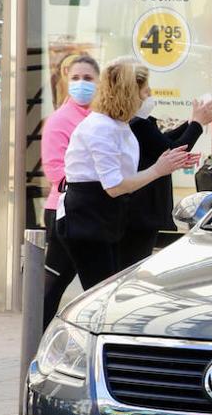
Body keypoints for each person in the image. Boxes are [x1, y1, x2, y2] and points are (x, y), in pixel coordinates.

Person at [56, 58, 197, 291]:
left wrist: (170, 162)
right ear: (131, 93)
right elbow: (114, 186)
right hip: (87, 219)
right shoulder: (101, 127)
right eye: (144, 92)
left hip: (105, 218)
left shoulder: (117, 125)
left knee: (108, 291)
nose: (148, 97)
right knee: (100, 293)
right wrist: (158, 169)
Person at [120, 93, 212, 268]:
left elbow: (166, 141)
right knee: (131, 264)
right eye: (144, 91)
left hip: (142, 209)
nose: (148, 96)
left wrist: (192, 123)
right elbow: (173, 148)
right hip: (141, 209)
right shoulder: (137, 124)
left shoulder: (141, 123)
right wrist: (196, 124)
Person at [41, 54, 99, 327]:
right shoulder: (59, 120)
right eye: (75, 78)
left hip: (93, 213)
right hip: (64, 211)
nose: (81, 84)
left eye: (88, 78)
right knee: (52, 286)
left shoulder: (101, 118)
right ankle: (36, 338)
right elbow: (55, 171)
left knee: (95, 285)